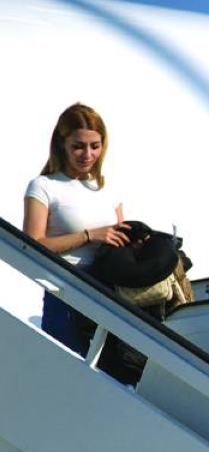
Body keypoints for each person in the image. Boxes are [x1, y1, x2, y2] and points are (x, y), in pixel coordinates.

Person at [23, 103, 130, 355]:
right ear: (62, 145)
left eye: (95, 146)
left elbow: (120, 236)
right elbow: (32, 243)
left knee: (116, 372)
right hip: (65, 292)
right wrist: (89, 236)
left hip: (107, 290)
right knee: (68, 367)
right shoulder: (44, 186)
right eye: (78, 146)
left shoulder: (107, 189)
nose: (87, 154)